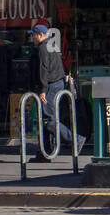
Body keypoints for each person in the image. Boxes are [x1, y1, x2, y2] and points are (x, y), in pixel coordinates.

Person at [29, 24, 83, 161]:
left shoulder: (42, 48)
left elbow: (44, 68)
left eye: (33, 35)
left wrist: (42, 90)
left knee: (48, 120)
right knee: (45, 119)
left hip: (50, 86)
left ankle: (75, 139)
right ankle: (45, 152)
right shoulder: (52, 45)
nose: (32, 38)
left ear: (40, 35)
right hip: (57, 83)